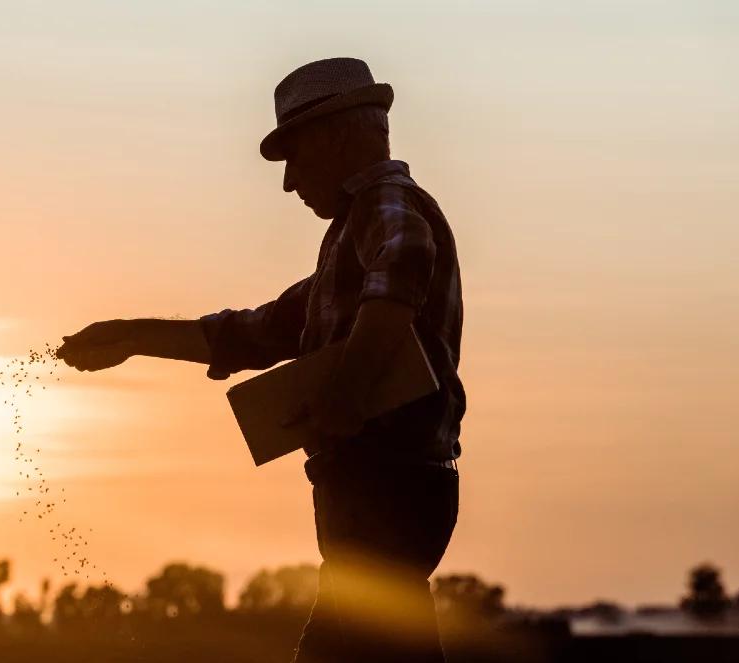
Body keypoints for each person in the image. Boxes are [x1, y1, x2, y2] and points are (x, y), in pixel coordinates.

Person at [56, 57, 465, 663]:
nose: (289, 183)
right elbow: (256, 332)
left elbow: (400, 278)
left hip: (390, 485)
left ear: (338, 135)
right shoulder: (347, 247)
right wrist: (135, 335)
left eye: (294, 157)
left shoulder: (387, 203)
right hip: (373, 488)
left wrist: (345, 396)